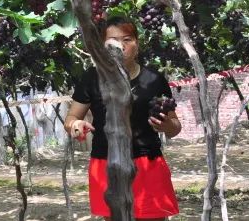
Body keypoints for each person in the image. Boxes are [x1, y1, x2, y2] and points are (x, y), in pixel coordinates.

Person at [64, 16, 182, 221]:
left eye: (127, 39)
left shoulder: (153, 80)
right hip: (106, 164)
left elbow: (175, 127)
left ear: (137, 43)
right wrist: (76, 125)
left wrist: (166, 126)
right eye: (113, 40)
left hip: (147, 164)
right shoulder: (92, 77)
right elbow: (72, 117)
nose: (121, 45)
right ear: (103, 46)